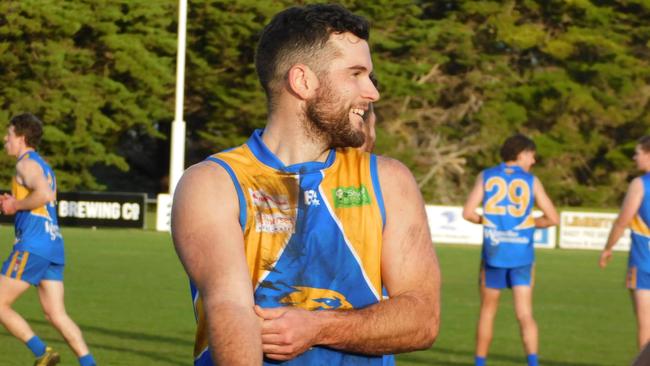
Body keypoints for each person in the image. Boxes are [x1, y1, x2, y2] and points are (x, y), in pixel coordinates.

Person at [171, 4, 440, 366]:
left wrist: (318, 327)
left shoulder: (389, 181)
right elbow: (230, 309)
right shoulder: (213, 182)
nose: (372, 92)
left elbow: (423, 319)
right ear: (303, 81)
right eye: (356, 74)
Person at [0, 113, 96, 366]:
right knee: (56, 313)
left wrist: (15, 205)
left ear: (21, 137)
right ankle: (89, 363)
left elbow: (42, 195)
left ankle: (42, 352)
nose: (5, 139)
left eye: (8, 134)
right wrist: (17, 206)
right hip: (52, 245)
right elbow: (43, 199)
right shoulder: (42, 164)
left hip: (35, 245)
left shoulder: (25, 164)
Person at [462, 134, 559, 366]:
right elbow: (553, 218)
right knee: (524, 313)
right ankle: (533, 363)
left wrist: (488, 221)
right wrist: (528, 223)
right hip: (522, 256)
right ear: (521, 153)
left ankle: (480, 363)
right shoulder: (531, 181)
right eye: (532, 155)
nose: (533, 161)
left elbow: (468, 213)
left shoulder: (486, 176)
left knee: (487, 311)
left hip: (494, 253)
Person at [600, 136, 650, 351]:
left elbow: (623, 221)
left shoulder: (640, 184)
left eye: (638, 153)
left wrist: (608, 248)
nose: (634, 157)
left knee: (646, 325)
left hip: (643, 263)